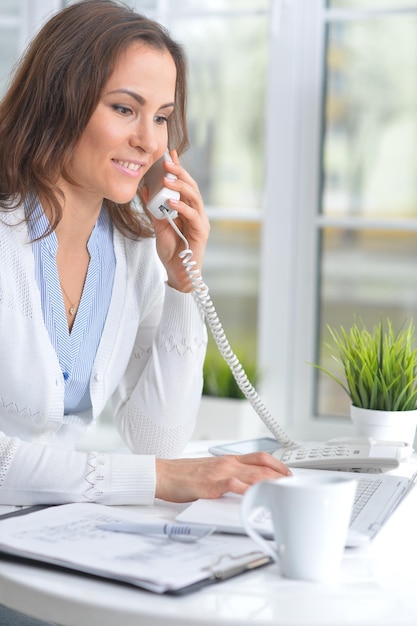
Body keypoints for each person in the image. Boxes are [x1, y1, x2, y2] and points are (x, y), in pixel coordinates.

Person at [0, 0, 291, 511]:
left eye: (161, 118)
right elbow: (157, 468)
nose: (148, 141)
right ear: (57, 100)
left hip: (47, 535)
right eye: (123, 109)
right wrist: (151, 479)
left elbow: (157, 442)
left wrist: (181, 285)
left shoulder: (132, 254)